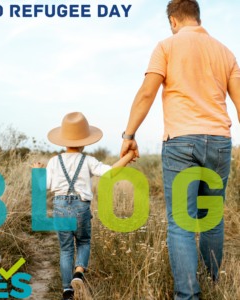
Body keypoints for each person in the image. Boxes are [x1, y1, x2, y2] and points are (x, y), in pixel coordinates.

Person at [120, 0, 240, 299]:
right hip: (220, 141)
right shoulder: (226, 52)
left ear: (173, 20)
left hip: (181, 142)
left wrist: (129, 134)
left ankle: (188, 295)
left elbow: (147, 92)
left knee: (181, 223)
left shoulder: (166, 46)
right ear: (197, 17)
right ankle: (214, 284)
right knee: (211, 219)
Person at [32, 112, 135, 300]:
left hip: (60, 206)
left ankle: (67, 291)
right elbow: (111, 173)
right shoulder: (88, 160)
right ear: (85, 141)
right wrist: (128, 156)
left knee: (65, 249)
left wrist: (37, 171)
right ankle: (78, 274)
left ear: (63, 140)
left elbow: (43, 186)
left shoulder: (55, 161)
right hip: (81, 206)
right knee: (83, 242)